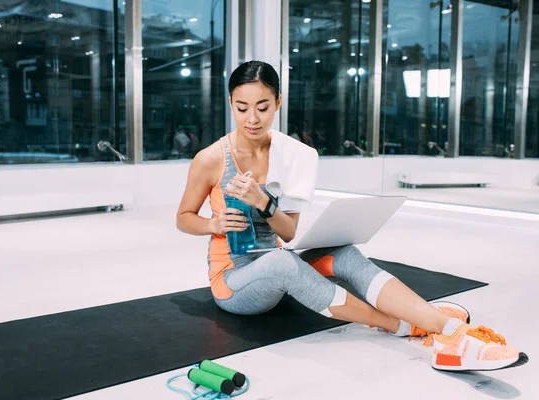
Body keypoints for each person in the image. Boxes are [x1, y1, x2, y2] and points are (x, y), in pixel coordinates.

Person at [176, 60, 527, 372]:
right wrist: (213, 223)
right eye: (242, 108)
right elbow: (183, 217)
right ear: (231, 106)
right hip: (233, 282)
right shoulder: (211, 159)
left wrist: (265, 203)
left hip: (276, 262)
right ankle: (403, 326)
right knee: (284, 265)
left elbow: (289, 233)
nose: (252, 118)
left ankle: (449, 331)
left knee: (343, 253)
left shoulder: (291, 154)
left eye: (263, 107)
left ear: (278, 103)